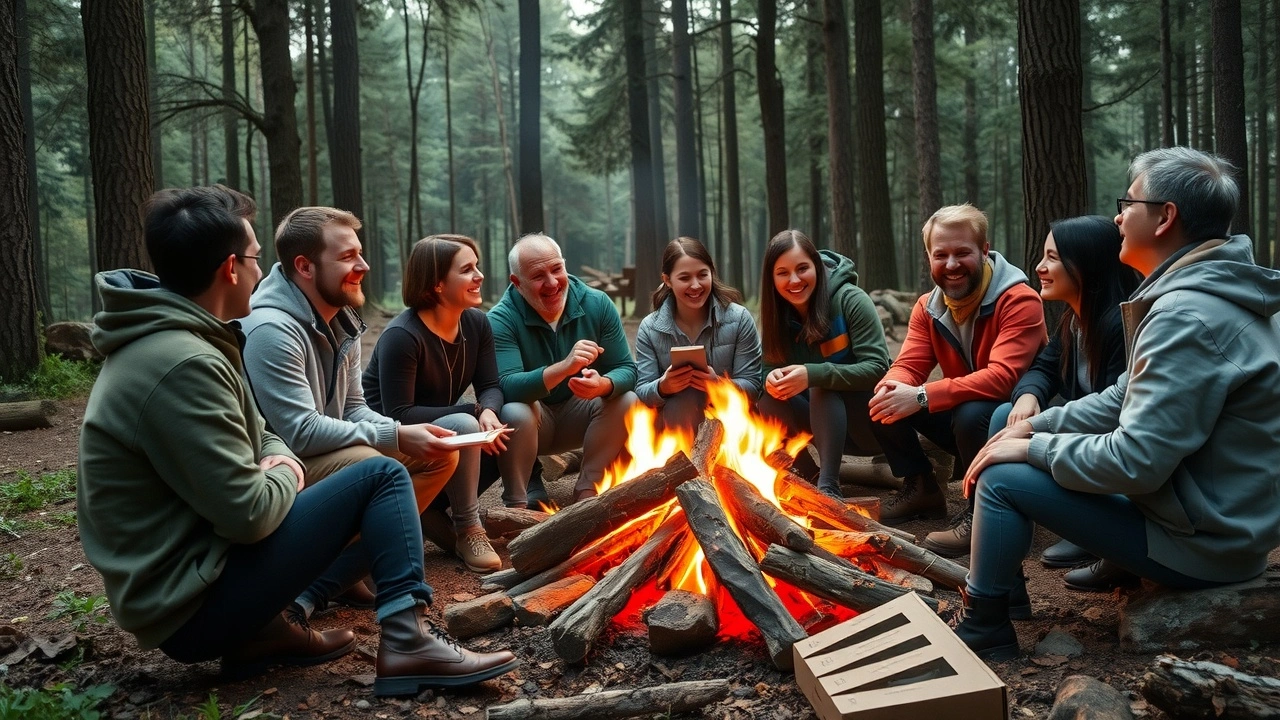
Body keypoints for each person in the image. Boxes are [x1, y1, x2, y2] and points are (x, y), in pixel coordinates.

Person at [77, 185, 517, 696]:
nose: (263, 273)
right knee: (380, 474)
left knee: (386, 467)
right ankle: (406, 640)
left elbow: (264, 433)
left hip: (202, 572)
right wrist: (289, 467)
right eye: (255, 259)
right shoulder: (184, 363)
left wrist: (275, 458)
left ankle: (267, 632)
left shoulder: (192, 340)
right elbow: (250, 510)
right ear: (228, 268)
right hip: (189, 608)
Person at [955, 147, 1280, 661]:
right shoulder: (1207, 295)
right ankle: (998, 598)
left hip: (1206, 544)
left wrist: (1032, 451)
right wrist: (1034, 427)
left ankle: (984, 625)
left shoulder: (1186, 316)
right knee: (1008, 439)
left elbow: (1136, 462)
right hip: (1215, 521)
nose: (1118, 217)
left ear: (1165, 217)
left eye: (1128, 202)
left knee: (1001, 480)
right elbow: (1121, 396)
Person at [240, 207, 459, 611]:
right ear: (304, 266)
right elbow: (298, 432)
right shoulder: (271, 328)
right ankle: (317, 588)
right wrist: (394, 435)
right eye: (346, 257)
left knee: (438, 457)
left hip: (319, 451)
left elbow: (354, 407)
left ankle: (338, 573)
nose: (363, 265)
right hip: (276, 466)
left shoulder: (342, 317)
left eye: (359, 252)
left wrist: (404, 433)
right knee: (369, 463)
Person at [868, 204, 1045, 558]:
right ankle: (921, 487)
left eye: (962, 252)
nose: (951, 264)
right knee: (880, 394)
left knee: (972, 411)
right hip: (968, 419)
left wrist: (920, 396)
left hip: (1021, 424)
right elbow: (909, 364)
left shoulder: (1019, 299)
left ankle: (988, 513)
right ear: (928, 258)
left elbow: (1003, 379)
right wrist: (893, 385)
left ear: (984, 250)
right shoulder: (927, 307)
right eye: (941, 254)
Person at [363, 234, 534, 572]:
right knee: (466, 424)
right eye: (467, 269)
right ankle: (468, 527)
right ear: (437, 284)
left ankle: (510, 515)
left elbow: (490, 385)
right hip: (394, 449)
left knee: (509, 417)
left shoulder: (476, 322)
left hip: (440, 443)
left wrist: (487, 409)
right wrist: (473, 411)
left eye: (478, 266)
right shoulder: (402, 336)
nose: (479, 276)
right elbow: (399, 413)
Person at [996, 216, 1139, 576]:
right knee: (1004, 414)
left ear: (1087, 265)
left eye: (1053, 258)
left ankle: (1094, 525)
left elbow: (1114, 412)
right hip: (1085, 436)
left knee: (1006, 429)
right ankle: (1006, 543)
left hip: (1109, 453)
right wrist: (1028, 397)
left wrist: (1037, 427)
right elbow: (1043, 368)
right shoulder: (1076, 319)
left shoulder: (1116, 326)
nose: (1040, 267)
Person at [488, 233, 639, 504]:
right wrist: (565, 367)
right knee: (513, 410)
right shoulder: (500, 318)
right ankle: (517, 501)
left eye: (557, 269)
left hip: (578, 413)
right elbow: (505, 386)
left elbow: (626, 369)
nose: (552, 282)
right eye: (538, 276)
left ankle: (588, 488)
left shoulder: (597, 303)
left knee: (626, 399)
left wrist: (603, 385)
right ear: (517, 282)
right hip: (534, 421)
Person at [756, 229, 890, 500]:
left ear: (816, 266)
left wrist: (813, 374)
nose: (794, 280)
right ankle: (807, 474)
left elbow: (879, 368)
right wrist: (770, 378)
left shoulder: (851, 300)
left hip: (871, 427)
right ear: (772, 278)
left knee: (821, 384)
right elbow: (766, 369)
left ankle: (829, 488)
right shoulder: (777, 316)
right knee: (767, 396)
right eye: (782, 273)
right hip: (820, 427)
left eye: (802, 268)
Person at [635, 237, 762, 433]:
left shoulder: (739, 319)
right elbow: (642, 391)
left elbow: (753, 385)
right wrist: (663, 386)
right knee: (684, 400)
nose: (695, 285)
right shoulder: (650, 328)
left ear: (712, 273)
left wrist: (718, 384)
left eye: (703, 275)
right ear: (667, 280)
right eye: (684, 278)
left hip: (734, 427)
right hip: (674, 428)